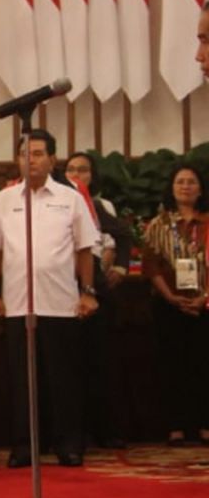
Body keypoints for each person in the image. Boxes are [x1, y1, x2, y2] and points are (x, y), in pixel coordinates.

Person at [0, 130, 99, 467]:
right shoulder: (4, 199)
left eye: (37, 153)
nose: (30, 159)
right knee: (22, 381)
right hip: (18, 303)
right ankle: (25, 446)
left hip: (61, 303)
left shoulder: (70, 197)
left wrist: (88, 292)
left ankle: (68, 443)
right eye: (24, 153)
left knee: (63, 378)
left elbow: (84, 248)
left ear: (52, 159)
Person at [64, 152, 131, 449]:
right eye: (71, 170)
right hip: (63, 292)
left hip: (97, 294)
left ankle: (105, 430)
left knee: (100, 364)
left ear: (93, 175)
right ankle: (71, 432)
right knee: (69, 366)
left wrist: (120, 266)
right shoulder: (59, 201)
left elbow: (122, 234)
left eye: (83, 170)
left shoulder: (99, 206)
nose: (77, 175)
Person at [142, 165, 209, 446]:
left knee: (203, 365)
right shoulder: (159, 224)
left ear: (201, 189)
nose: (185, 186)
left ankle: (205, 425)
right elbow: (151, 265)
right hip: (169, 304)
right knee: (172, 365)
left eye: (191, 182)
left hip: (205, 304)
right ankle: (176, 426)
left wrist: (204, 297)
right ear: (171, 188)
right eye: (180, 182)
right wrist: (170, 296)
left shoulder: (207, 223)